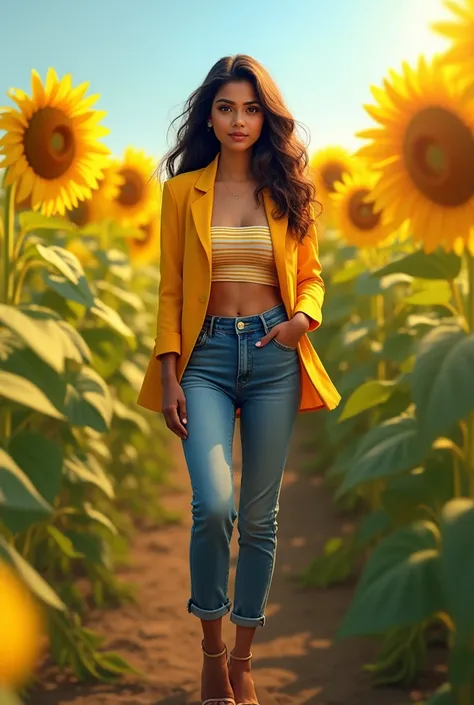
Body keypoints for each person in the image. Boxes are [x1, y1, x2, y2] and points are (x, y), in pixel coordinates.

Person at [137, 54, 341, 705]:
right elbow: (171, 291)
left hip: (274, 353)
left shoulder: (286, 187)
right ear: (209, 113)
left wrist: (302, 319)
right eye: (226, 107)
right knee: (213, 506)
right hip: (205, 360)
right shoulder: (181, 192)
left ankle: (243, 660)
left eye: (252, 108)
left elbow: (309, 274)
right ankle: (211, 651)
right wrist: (170, 374)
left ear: (266, 116)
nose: (239, 119)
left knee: (259, 518)